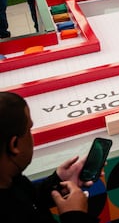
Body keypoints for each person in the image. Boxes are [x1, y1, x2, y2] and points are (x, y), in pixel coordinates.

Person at [0, 91, 98, 223]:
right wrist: (75, 216)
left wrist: (57, 182)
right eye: (29, 130)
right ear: (14, 144)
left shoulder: (12, 180)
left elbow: (30, 200)